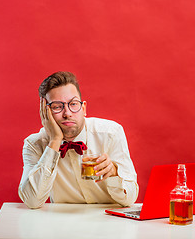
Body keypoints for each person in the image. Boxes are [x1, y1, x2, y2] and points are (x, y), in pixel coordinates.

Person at [18, 71, 139, 209]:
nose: (67, 113)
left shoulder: (111, 133)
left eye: (73, 104)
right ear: (45, 112)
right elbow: (32, 201)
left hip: (108, 221)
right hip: (61, 224)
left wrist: (114, 173)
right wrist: (55, 141)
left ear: (84, 108)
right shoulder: (34, 144)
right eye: (57, 106)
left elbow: (129, 200)